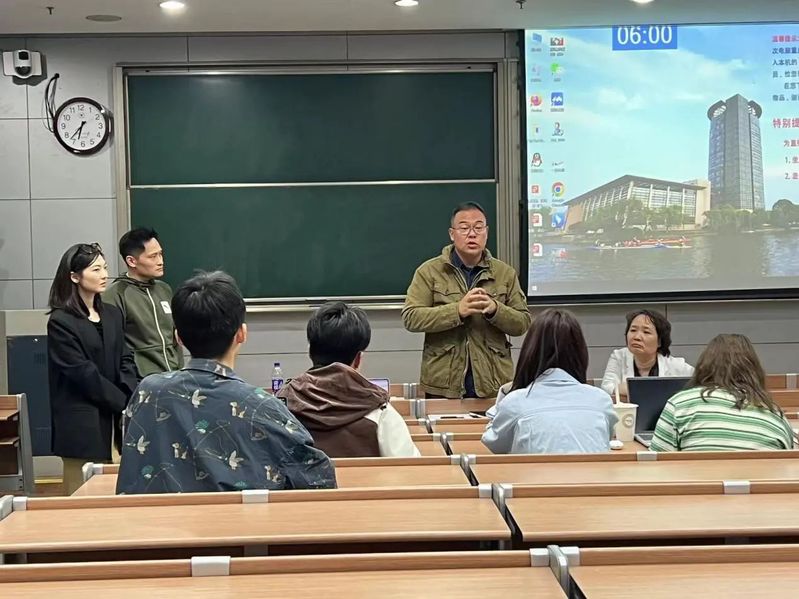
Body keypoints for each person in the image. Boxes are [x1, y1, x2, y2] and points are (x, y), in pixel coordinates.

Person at [116, 271, 336, 494]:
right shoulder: (263, 406)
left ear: (178, 338)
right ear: (241, 334)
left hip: (151, 516)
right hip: (238, 517)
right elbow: (319, 480)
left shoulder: (147, 393)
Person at [402, 202, 532, 399]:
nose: (472, 234)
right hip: (443, 383)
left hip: (493, 382)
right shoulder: (429, 272)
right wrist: (457, 311)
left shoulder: (505, 273)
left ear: (486, 232)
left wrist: (495, 309)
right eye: (464, 228)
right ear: (452, 234)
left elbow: (522, 323)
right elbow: (411, 318)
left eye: (478, 228)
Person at [47, 243, 138, 494]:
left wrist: (131, 394)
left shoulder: (112, 314)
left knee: (117, 494)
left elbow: (126, 358)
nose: (104, 275)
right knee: (82, 497)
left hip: (115, 423)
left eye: (105, 268)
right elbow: (82, 373)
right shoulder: (61, 321)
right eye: (96, 269)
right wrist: (122, 402)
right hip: (82, 425)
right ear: (74, 276)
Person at [278, 302, 419, 458]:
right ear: (358, 359)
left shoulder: (281, 405)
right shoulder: (381, 413)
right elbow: (410, 468)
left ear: (310, 352)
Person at [482, 309, 617, 454]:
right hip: (593, 470)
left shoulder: (516, 401)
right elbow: (606, 438)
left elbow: (495, 444)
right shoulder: (601, 400)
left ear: (530, 351)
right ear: (580, 351)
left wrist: (501, 404)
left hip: (533, 470)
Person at [650, 334, 795, 452]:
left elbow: (656, 465)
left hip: (699, 480)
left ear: (704, 365)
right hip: (760, 480)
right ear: (754, 370)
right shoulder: (776, 416)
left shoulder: (680, 404)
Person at [103, 228, 183, 377]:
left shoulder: (164, 289)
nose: (160, 261)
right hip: (142, 382)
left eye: (160, 254)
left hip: (175, 378)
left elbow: (175, 337)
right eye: (153, 256)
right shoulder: (115, 295)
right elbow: (113, 348)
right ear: (131, 261)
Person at [600, 309, 694, 399]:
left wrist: (630, 390)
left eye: (646, 332)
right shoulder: (619, 357)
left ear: (659, 342)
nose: (637, 337)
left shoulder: (675, 365)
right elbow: (606, 388)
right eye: (633, 330)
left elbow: (698, 383)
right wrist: (651, 391)